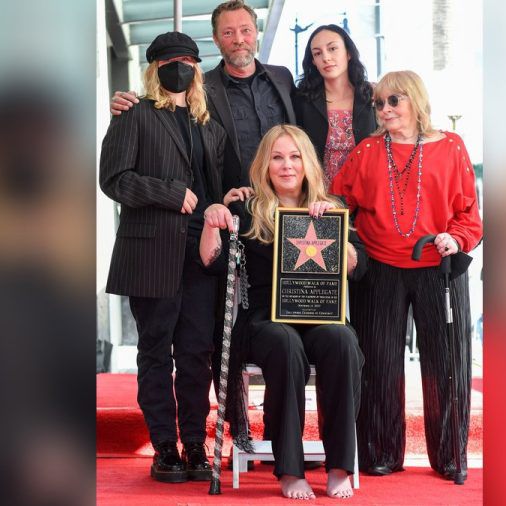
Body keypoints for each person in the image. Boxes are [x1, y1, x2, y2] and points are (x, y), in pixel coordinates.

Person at [200, 125, 367, 499]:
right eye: (277, 157)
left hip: (319, 313)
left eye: (294, 157)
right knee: (284, 341)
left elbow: (359, 268)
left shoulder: (333, 207)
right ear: (265, 164)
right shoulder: (246, 207)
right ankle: (290, 470)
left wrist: (332, 232)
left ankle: (339, 464)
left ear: (307, 163)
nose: (286, 165)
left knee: (341, 340)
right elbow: (213, 263)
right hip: (265, 318)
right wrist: (212, 221)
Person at [330, 71, 483, 479]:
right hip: (379, 268)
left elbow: (470, 214)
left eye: (393, 100)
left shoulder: (451, 147)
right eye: (378, 103)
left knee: (446, 364)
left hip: (439, 266)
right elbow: (337, 202)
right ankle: (381, 451)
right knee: (379, 363)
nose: (384, 110)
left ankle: (451, 454)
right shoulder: (365, 152)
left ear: (415, 100)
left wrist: (458, 238)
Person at [99, 32, 226, 483]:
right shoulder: (134, 115)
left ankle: (194, 443)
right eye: (171, 61)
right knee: (156, 352)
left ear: (197, 68)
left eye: (188, 60)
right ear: (153, 69)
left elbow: (214, 187)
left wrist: (224, 200)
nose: (181, 67)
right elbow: (113, 179)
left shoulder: (209, 123)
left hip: (201, 253)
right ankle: (164, 448)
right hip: (151, 251)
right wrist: (172, 194)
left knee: (196, 352)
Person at [110, 0, 296, 194]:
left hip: (285, 199)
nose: (238, 39)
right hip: (234, 204)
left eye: (245, 30)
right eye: (228, 32)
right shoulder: (197, 90)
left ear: (255, 32)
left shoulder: (282, 77)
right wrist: (127, 101)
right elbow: (165, 112)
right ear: (215, 39)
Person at [294, 24, 376, 188]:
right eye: (317, 53)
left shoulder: (371, 96)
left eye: (332, 49)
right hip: (318, 195)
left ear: (349, 53)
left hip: (366, 191)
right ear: (313, 61)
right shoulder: (302, 100)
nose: (326, 57)